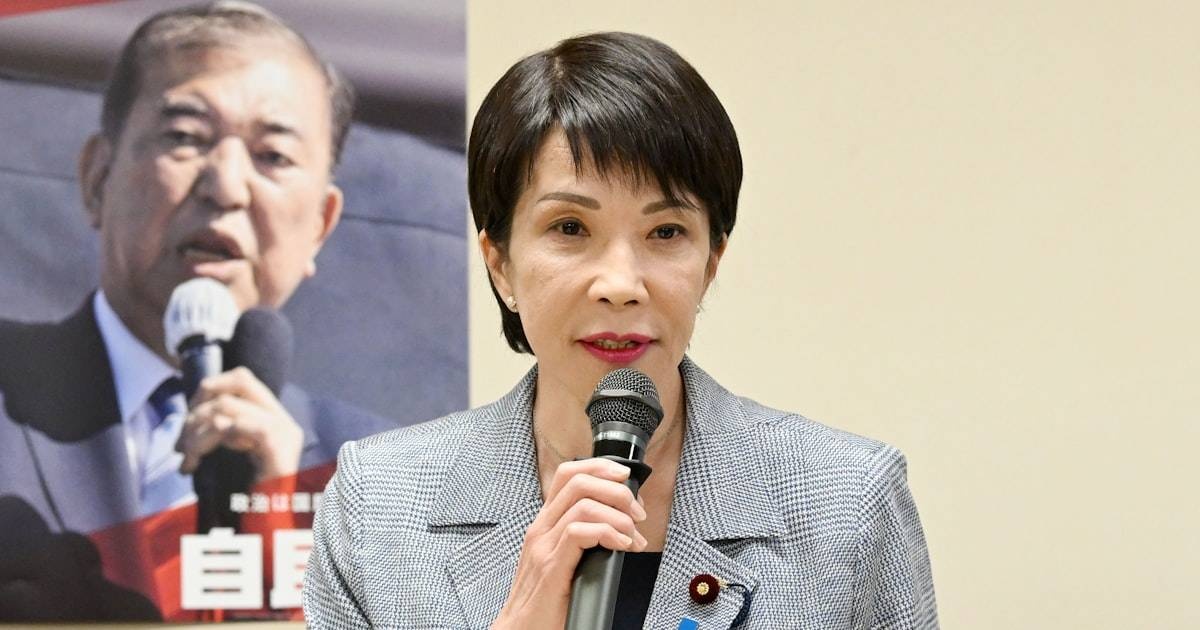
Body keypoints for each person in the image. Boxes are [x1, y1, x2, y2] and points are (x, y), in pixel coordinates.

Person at [304, 32, 938, 629]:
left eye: (665, 232)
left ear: (711, 261)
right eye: (570, 228)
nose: (620, 283)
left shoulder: (846, 501)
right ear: (499, 262)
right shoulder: (377, 506)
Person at [0, 1, 393, 621]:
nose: (226, 186)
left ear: (320, 225)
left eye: (273, 156)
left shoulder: (382, 474)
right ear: (98, 178)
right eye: (185, 137)